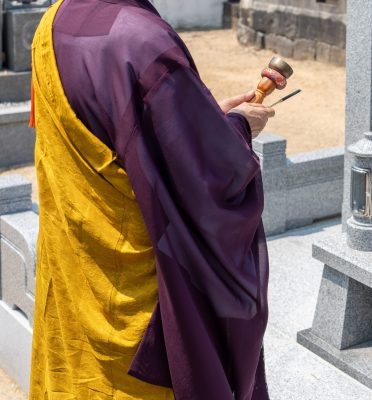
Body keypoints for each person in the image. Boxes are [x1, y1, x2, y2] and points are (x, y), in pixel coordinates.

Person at [29, 0, 274, 399]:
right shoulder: (142, 41)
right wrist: (238, 127)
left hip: (77, 285)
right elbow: (206, 182)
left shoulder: (54, 18)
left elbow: (124, 135)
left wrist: (203, 117)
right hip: (138, 317)